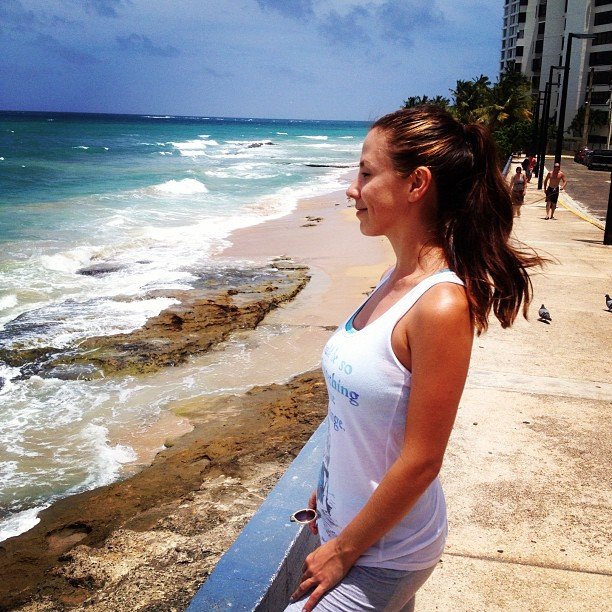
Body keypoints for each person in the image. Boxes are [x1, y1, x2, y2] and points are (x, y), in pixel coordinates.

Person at [286, 106, 543, 612]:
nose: (352, 189)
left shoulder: (440, 305)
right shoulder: (394, 278)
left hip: (384, 554)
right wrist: (331, 482)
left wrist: (343, 550)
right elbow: (367, 416)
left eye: (366, 173)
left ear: (416, 183)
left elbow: (423, 459)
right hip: (350, 528)